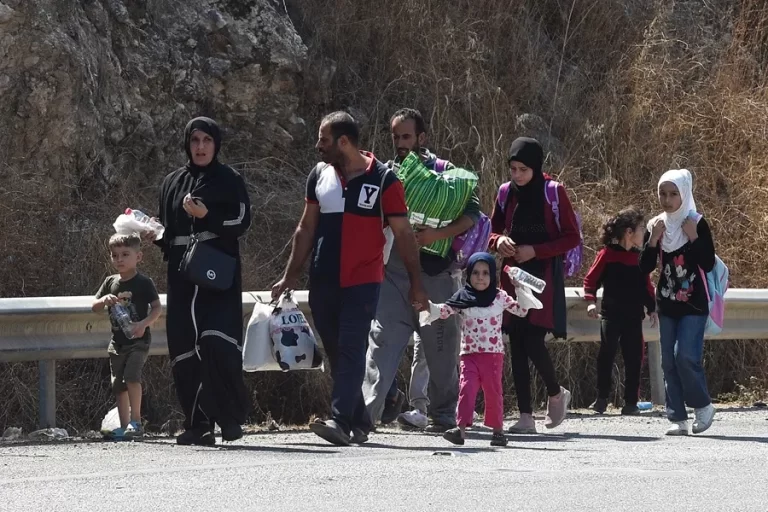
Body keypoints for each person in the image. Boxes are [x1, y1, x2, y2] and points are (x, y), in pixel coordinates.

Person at [271, 111, 428, 446]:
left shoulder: (384, 179)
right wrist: (290, 275)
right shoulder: (319, 175)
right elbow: (306, 227)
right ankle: (372, 410)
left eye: (324, 140)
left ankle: (341, 420)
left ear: (344, 142)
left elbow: (404, 235)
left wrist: (416, 283)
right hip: (323, 278)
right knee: (337, 351)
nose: (318, 146)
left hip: (364, 280)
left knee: (351, 347)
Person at [362, 108, 482, 432]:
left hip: (438, 279)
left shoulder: (444, 175)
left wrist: (434, 235)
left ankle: (444, 416)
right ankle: (362, 418)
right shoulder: (386, 174)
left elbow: (474, 212)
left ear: (422, 138)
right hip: (395, 275)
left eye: (407, 136)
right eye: (396, 137)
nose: (401, 143)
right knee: (381, 346)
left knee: (442, 352)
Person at [153, 116, 252, 446]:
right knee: (183, 350)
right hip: (182, 276)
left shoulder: (228, 179)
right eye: (194, 140)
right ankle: (198, 424)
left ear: (216, 144)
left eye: (206, 140)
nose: (200, 147)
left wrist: (206, 215)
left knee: (217, 343)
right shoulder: (172, 181)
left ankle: (229, 419)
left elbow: (241, 219)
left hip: (217, 274)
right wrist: (150, 231)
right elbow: (167, 230)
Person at [488, 137, 579, 433]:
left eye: (523, 169)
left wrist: (535, 251)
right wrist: (499, 241)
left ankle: (555, 393)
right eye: (513, 169)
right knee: (515, 341)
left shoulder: (553, 192)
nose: (517, 175)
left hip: (541, 277)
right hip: (512, 275)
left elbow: (571, 236)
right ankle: (525, 416)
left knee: (533, 339)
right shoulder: (506, 193)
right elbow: (492, 230)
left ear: (536, 167)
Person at [420, 253, 535, 447]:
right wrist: (428, 307)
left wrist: (520, 288)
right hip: (469, 355)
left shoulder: (499, 297)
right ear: (468, 275)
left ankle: (498, 431)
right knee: (466, 390)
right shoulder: (463, 297)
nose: (480, 277)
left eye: (485, 273)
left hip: (493, 356)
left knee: (494, 393)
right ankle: (461, 430)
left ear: (493, 276)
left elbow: (521, 311)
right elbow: (445, 311)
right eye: (475, 273)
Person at [639, 169, 716, 436]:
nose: (667, 199)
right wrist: (652, 241)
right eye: (662, 193)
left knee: (685, 356)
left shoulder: (696, 222)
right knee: (667, 362)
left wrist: (693, 236)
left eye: (673, 194)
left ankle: (703, 406)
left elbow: (706, 262)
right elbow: (645, 267)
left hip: (694, 302)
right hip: (668, 301)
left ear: (684, 194)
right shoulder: (656, 225)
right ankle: (678, 417)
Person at [583, 208, 658, 415]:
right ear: (629, 232)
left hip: (634, 317)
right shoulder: (607, 255)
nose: (644, 233)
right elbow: (591, 280)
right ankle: (601, 399)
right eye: (642, 229)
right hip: (611, 315)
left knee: (634, 358)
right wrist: (590, 301)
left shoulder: (640, 258)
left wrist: (652, 308)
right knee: (606, 355)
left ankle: (631, 402)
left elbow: (646, 286)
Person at [93, 233, 162, 440]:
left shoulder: (143, 283)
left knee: (132, 377)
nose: (119, 259)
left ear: (138, 257)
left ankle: (137, 422)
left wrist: (144, 324)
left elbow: (157, 308)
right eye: (115, 255)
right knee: (118, 385)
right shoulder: (110, 282)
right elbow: (94, 306)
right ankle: (125, 427)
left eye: (125, 254)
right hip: (118, 343)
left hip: (138, 340)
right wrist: (104, 300)